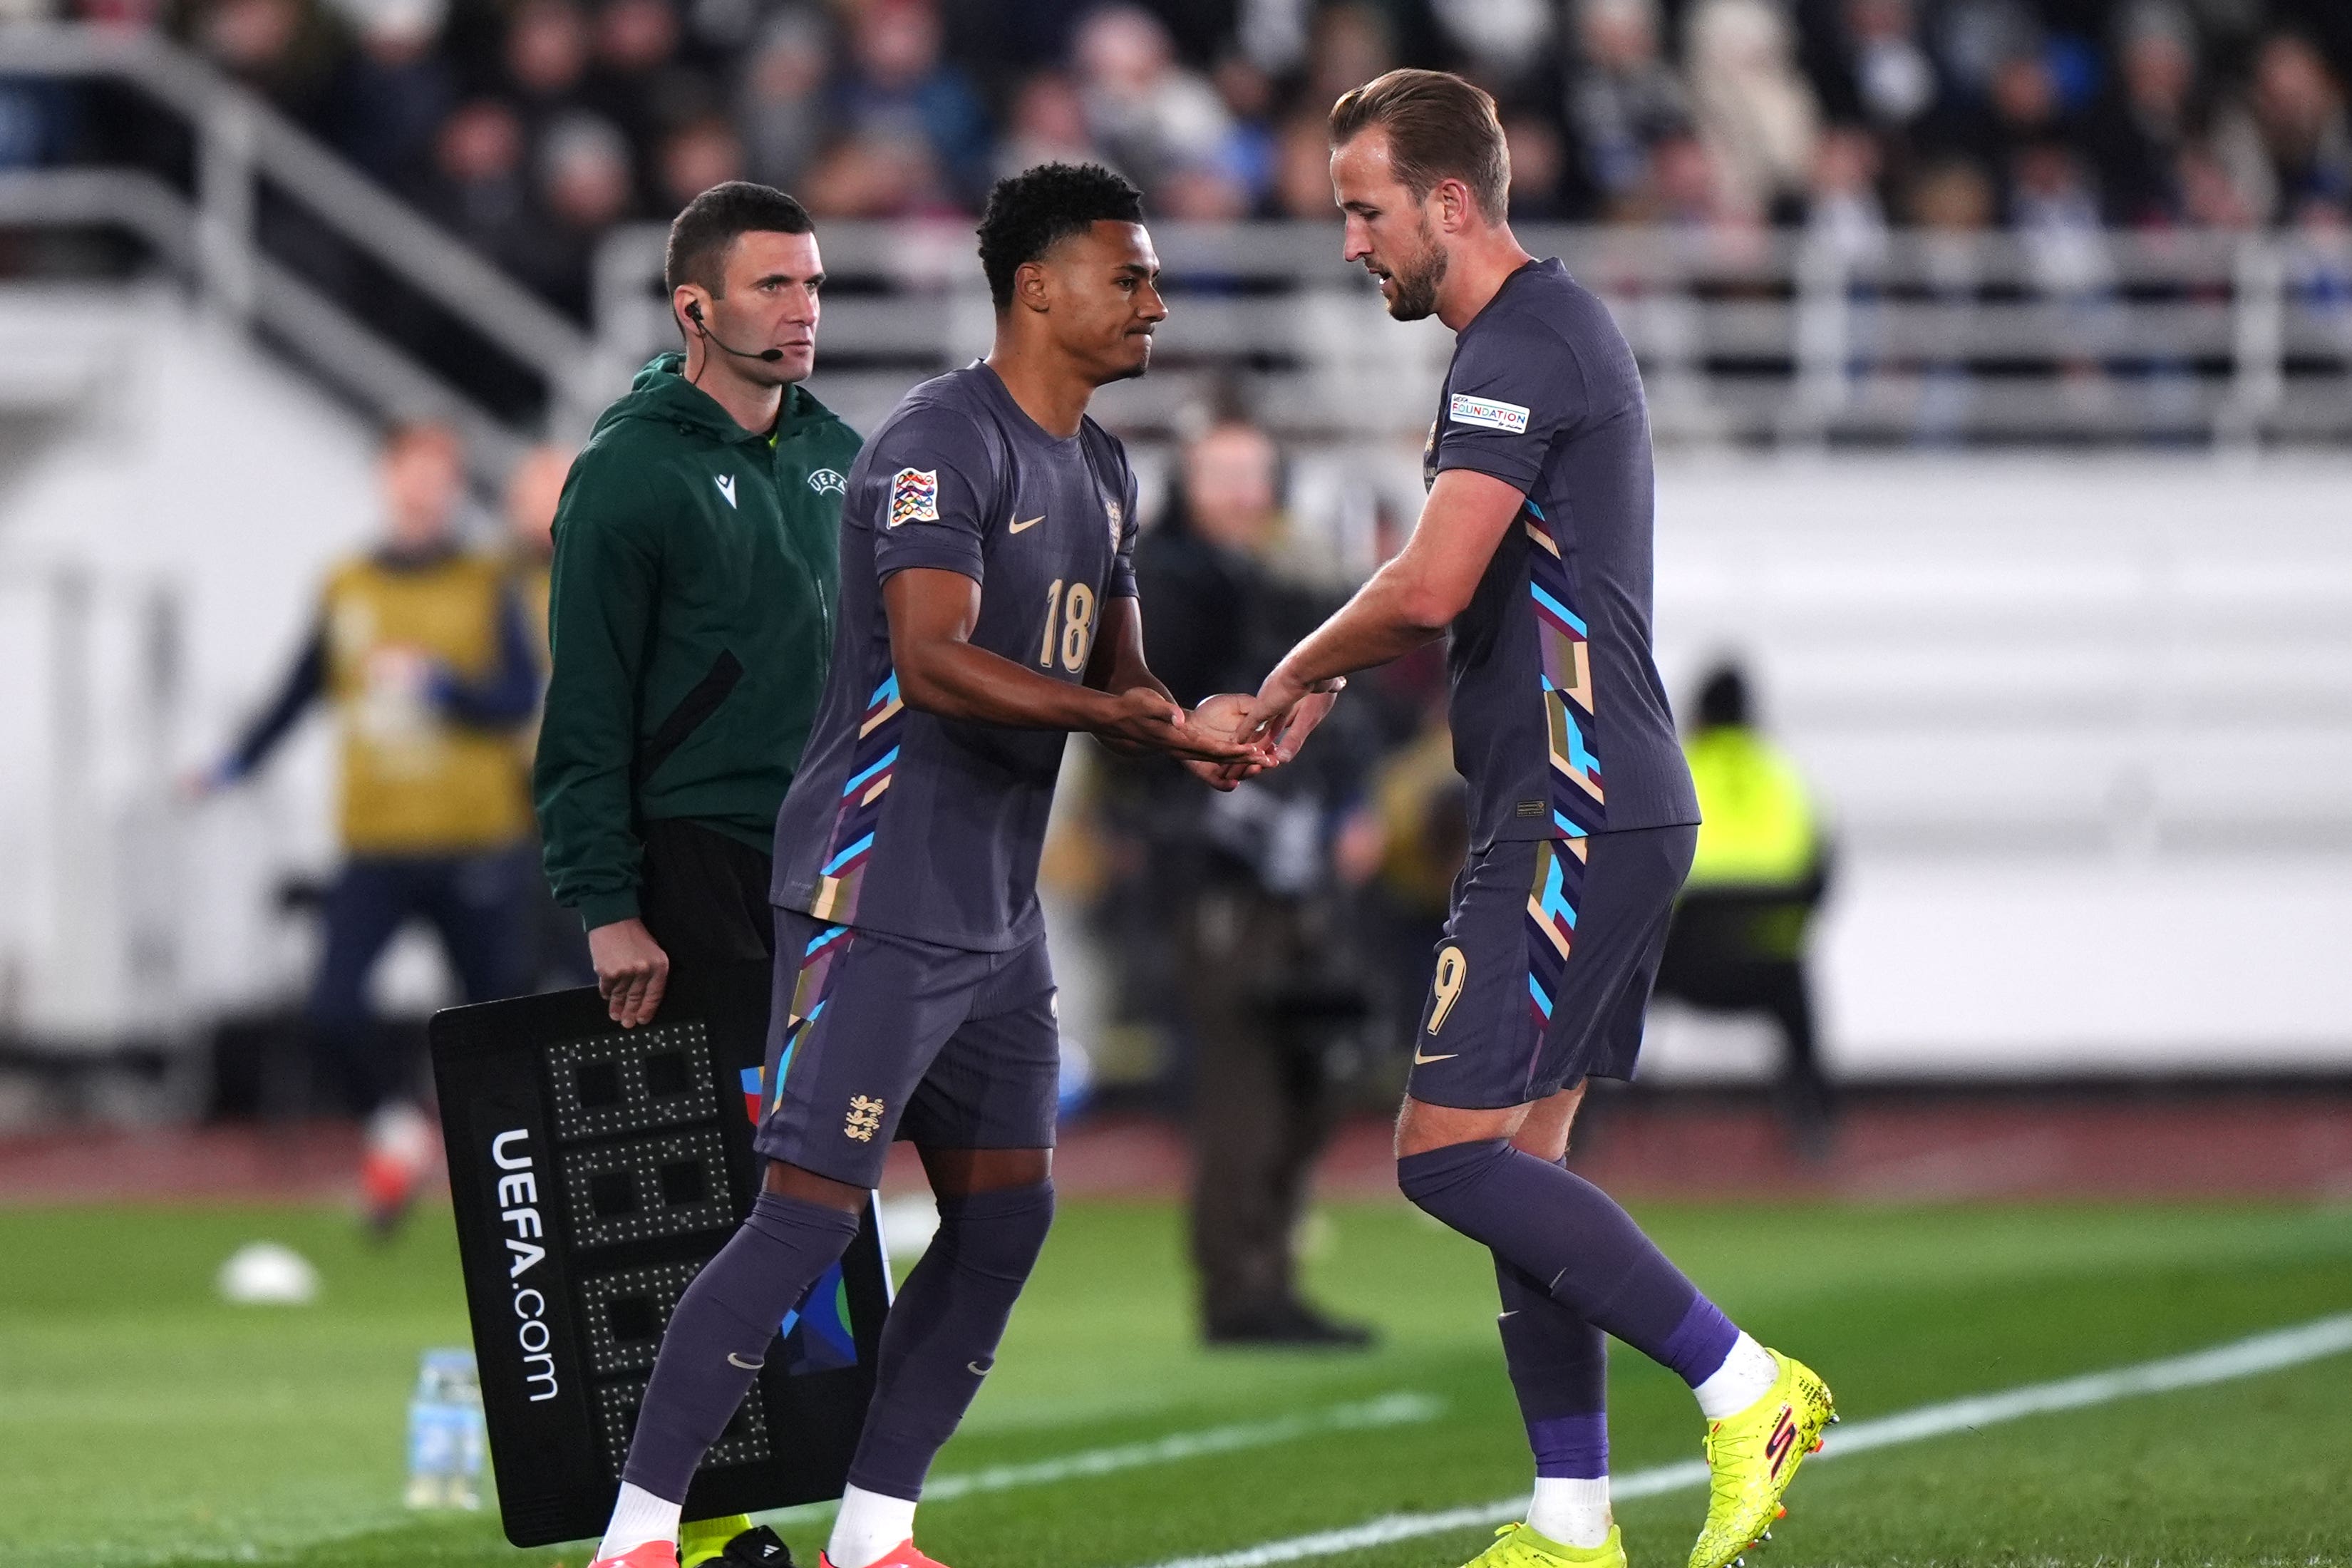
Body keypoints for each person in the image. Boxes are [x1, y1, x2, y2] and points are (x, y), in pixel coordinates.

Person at [584, 162, 1269, 1568]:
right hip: (873, 885)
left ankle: (874, 1533)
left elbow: (1117, 669)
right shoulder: (936, 442)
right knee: (802, 1219)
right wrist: (1119, 714)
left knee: (1008, 1206)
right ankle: (637, 1538)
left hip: (996, 910)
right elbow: (935, 660)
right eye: (1127, 274)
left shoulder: (1106, 464)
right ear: (1038, 287)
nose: (1153, 299)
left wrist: (1190, 724)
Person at [1237, 71, 1835, 1568]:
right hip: (1584, 796)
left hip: (1574, 801)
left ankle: (1744, 1381)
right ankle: (1573, 1525)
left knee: (1443, 1155)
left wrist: (1297, 667)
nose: (1353, 244)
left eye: (1366, 211)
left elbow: (1433, 587)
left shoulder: (1521, 342)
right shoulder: (1543, 334)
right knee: (1527, 1172)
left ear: (1449, 200)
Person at [535, 180, 862, 1568]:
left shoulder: (843, 453)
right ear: (695, 309)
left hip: (836, 862)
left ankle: (835, 1487)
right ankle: (696, 1514)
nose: (804, 311)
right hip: (696, 866)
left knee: (816, 1175)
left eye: (813, 284)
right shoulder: (629, 473)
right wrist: (608, 902)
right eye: (775, 287)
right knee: (711, 1186)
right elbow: (587, 710)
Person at [195, 420, 540, 1232]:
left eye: (437, 474)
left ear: (454, 486)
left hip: (475, 841)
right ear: (386, 478)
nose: (422, 489)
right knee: (332, 1009)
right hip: (376, 843)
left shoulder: (488, 580)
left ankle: (515, 1194)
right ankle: (395, 1133)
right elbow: (299, 686)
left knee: (496, 1027)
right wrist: (232, 764)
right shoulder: (348, 582)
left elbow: (519, 699)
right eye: (409, 472)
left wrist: (440, 687)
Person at [1127, 416, 1377, 1347]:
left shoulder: (1277, 577)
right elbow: (1147, 727)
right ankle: (1240, 1288)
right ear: (1184, 485)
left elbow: (1346, 711)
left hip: (1298, 862)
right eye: (1218, 475)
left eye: (1251, 474)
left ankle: (1269, 1270)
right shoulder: (1166, 584)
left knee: (1308, 1077)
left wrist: (1351, 805)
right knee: (1243, 1084)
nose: (1238, 492)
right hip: (1220, 870)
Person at [1652, 663, 1835, 1151]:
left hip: (1683, 965)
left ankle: (1584, 1123)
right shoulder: (1784, 775)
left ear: (1701, 715)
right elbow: (1822, 874)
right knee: (1801, 998)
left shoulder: (1679, 768)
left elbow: (1646, 872)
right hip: (1769, 968)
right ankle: (1814, 1128)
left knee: (1621, 986)